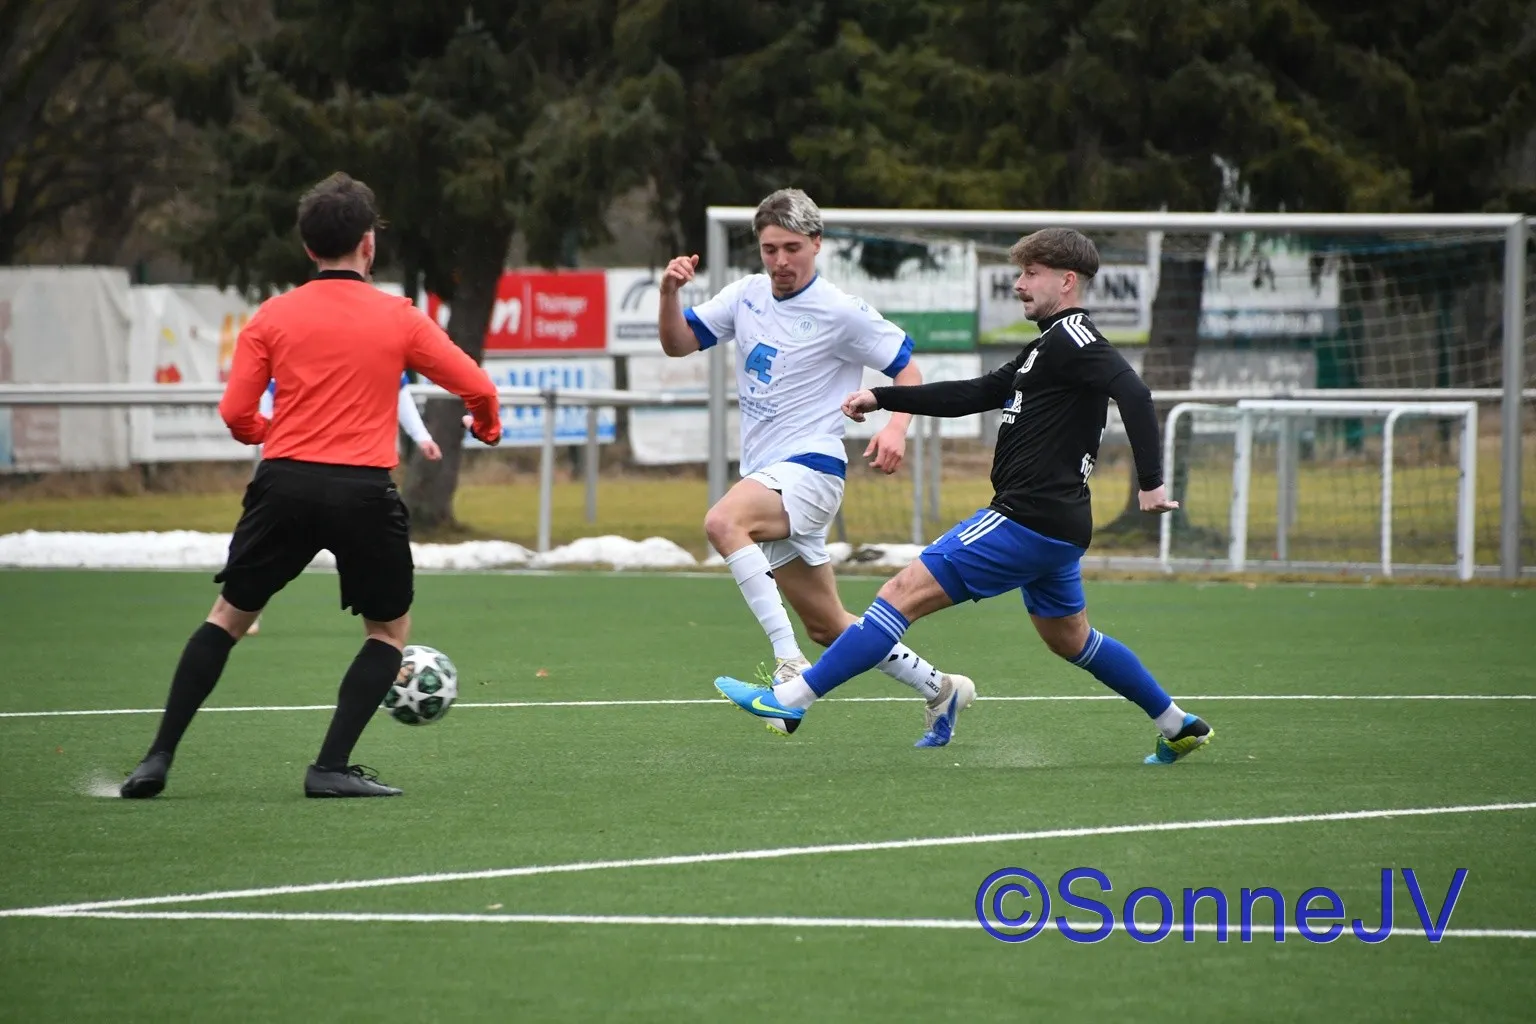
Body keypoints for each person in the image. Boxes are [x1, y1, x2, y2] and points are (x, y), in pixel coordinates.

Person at [715, 228, 1215, 764]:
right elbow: (973, 393)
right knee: (1070, 638)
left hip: (1026, 517)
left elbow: (1135, 391)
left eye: (1031, 274)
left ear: (1067, 281)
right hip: (1056, 524)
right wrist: (882, 396)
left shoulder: (1074, 337)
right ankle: (1176, 724)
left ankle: (790, 701)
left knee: (900, 592)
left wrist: (1151, 483)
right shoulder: (1045, 347)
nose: (1019, 284)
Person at [120, 172, 502, 799]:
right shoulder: (398, 317)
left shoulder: (273, 315)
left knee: (228, 617)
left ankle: (156, 759)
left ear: (307, 247)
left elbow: (235, 413)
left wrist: (271, 432)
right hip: (362, 493)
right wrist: (485, 426)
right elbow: (478, 387)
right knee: (387, 632)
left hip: (284, 485)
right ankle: (329, 768)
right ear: (368, 244)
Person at [659, 188, 975, 747]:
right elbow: (678, 343)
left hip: (813, 467)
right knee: (829, 626)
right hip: (767, 472)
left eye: (792, 248)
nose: (780, 261)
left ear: (816, 244)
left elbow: (909, 372)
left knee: (723, 522)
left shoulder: (841, 310)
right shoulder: (745, 296)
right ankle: (941, 688)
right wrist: (668, 294)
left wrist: (895, 428)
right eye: (769, 249)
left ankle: (787, 669)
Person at [245, 371, 441, 636]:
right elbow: (271, 393)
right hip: (300, 475)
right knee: (265, 554)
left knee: (370, 562)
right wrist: (268, 438)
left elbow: (398, 388)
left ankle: (382, 627)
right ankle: (245, 607)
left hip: (347, 479)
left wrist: (421, 436)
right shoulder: (298, 355)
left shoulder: (377, 355)